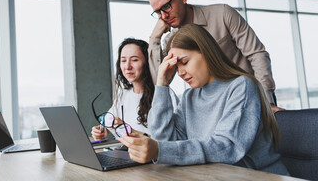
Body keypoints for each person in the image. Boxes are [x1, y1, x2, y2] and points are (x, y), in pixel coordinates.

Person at [119, 24, 289, 176]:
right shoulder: (189, 97)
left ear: (206, 53)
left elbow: (227, 147)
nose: (180, 72)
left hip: (257, 176)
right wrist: (162, 84)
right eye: (176, 67)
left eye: (184, 62)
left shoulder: (241, 86)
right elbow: (165, 141)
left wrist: (159, 150)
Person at [147, 0, 283, 112]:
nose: (164, 16)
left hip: (249, 99)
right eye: (158, 12)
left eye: (166, 7)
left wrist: (266, 100)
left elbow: (256, 54)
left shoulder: (222, 14)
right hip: (214, 111)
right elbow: (160, 80)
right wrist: (154, 38)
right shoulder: (171, 40)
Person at [91, 38, 157, 140]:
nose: (127, 66)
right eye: (123, 60)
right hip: (123, 152)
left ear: (147, 63)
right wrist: (101, 131)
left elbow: (167, 142)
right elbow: (108, 122)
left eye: (134, 60)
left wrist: (125, 128)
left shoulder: (163, 95)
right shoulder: (124, 94)